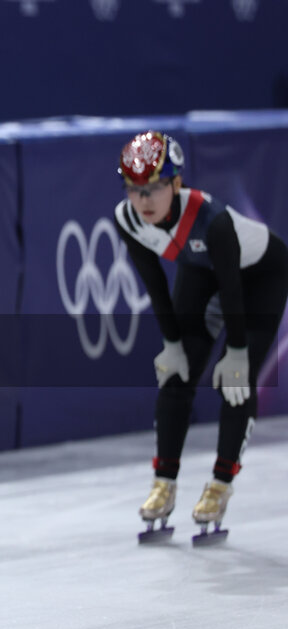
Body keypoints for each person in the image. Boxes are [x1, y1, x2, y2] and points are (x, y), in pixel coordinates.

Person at [115, 131, 288, 539]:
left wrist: (238, 352)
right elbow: (155, 284)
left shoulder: (213, 221)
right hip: (203, 273)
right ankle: (164, 483)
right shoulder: (128, 219)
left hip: (260, 278)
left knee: (235, 384)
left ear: (177, 184)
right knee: (176, 377)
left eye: (154, 189)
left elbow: (233, 287)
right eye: (135, 190)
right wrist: (173, 345)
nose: (144, 202)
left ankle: (220, 485)